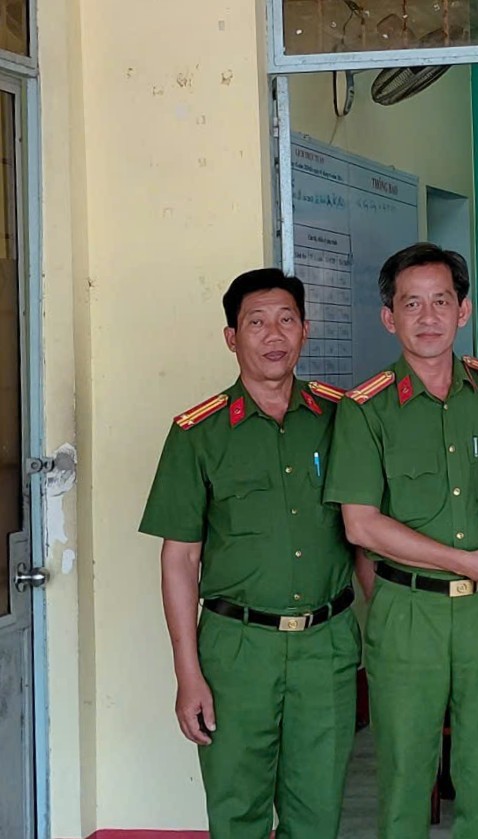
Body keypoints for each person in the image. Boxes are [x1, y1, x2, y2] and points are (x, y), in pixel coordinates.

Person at [324, 242, 478, 839]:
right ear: (388, 317)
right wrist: (466, 561)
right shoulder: (365, 410)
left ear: (463, 310)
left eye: (441, 301)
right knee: (404, 775)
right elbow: (361, 525)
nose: (427, 317)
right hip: (408, 612)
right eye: (411, 304)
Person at [139, 268, 360, 839]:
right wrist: (188, 672)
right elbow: (180, 560)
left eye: (286, 319)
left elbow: (366, 534)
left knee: (318, 814)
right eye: (256, 322)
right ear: (231, 338)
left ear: (306, 330)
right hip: (236, 651)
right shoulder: (198, 434)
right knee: (237, 813)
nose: (273, 335)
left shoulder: (343, 419)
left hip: (326, 645)